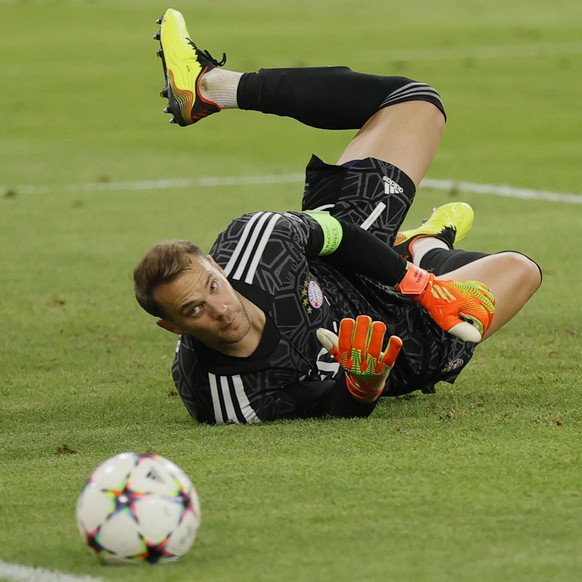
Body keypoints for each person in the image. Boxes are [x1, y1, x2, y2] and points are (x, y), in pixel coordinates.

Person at [133, 9, 542, 425]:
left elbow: (334, 234)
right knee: (520, 269)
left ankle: (211, 87)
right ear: (174, 327)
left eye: (213, 287)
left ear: (219, 267)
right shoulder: (226, 398)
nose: (218, 309)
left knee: (415, 103)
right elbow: (333, 408)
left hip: (348, 256)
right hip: (402, 341)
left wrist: (415, 284)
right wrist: (363, 383)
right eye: (194, 310)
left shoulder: (258, 241)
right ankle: (425, 247)